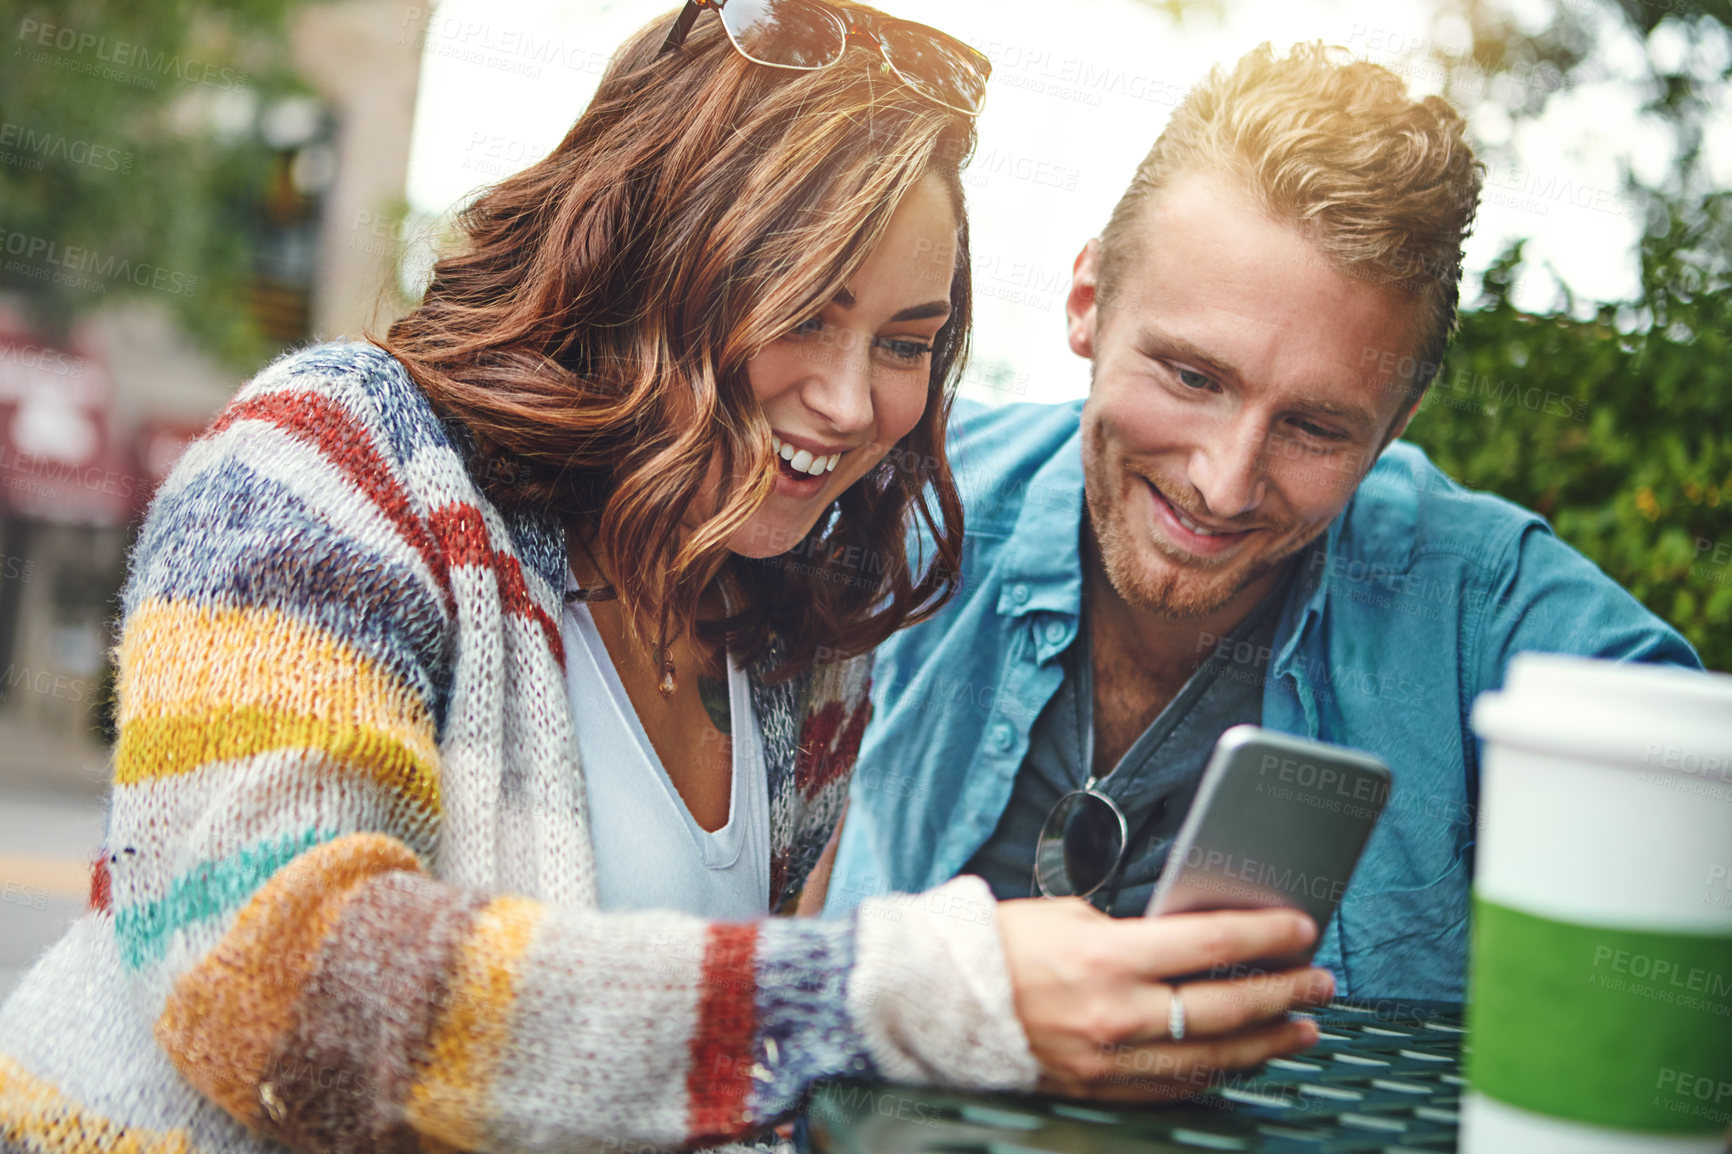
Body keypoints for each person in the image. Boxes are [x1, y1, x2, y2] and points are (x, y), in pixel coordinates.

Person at [0, 7, 1340, 1153]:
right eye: (807, 307)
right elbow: (278, 991)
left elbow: (686, 1067)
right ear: (655, 256)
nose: (850, 399)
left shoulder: (793, 623)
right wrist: (920, 985)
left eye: (906, 341)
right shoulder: (332, 461)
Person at [822, 42, 1702, 1008]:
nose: (1225, 483)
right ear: (1087, 304)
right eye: (1193, 377)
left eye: (1316, 428)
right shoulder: (892, 506)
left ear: (1394, 428)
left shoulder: (1482, 608)